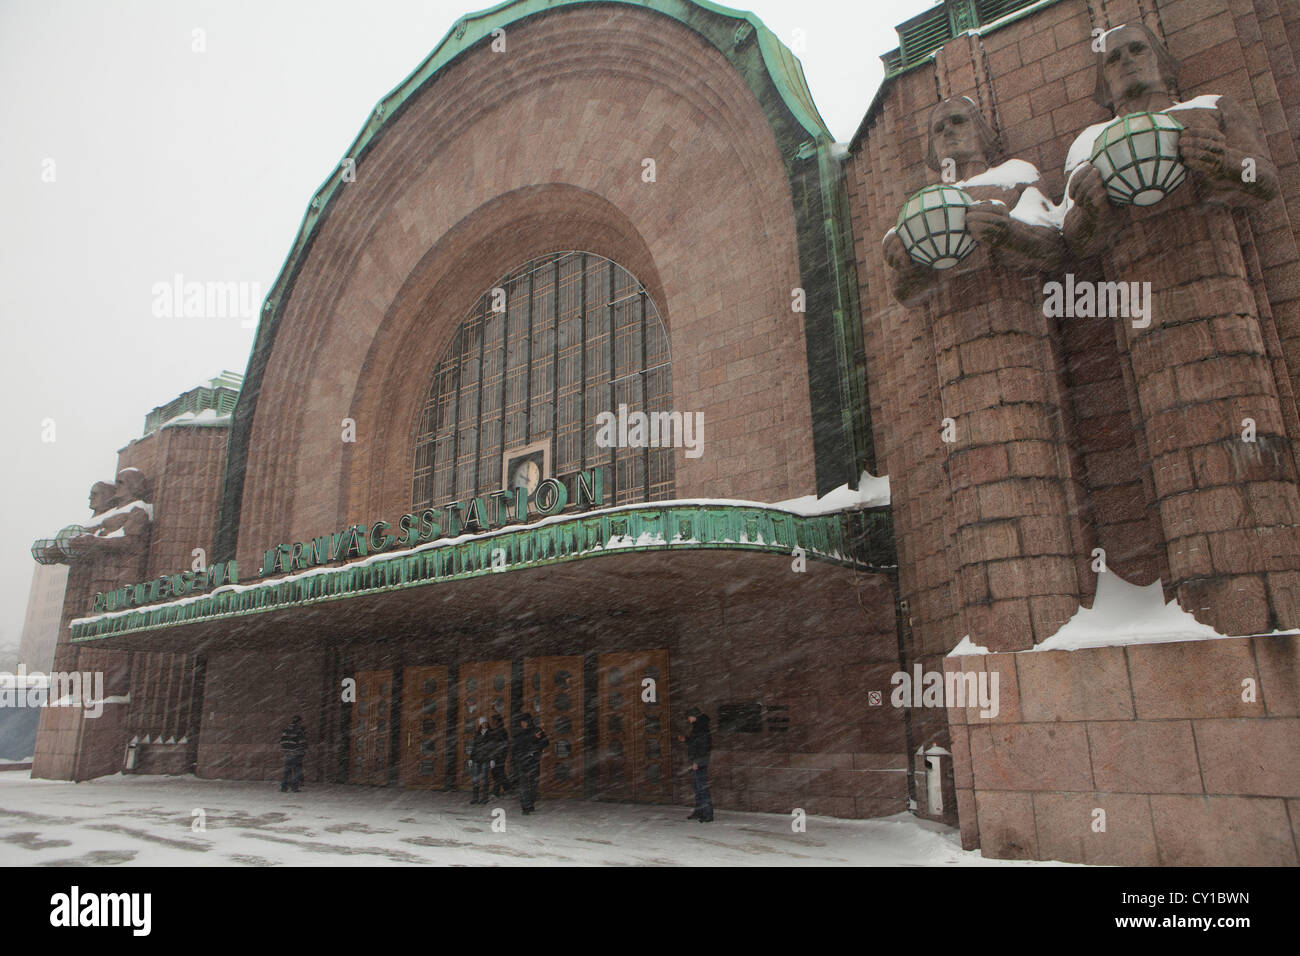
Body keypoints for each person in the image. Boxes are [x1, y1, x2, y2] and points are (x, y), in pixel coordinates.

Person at [678, 707, 713, 822]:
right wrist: (686, 740)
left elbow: (702, 746)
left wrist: (696, 762)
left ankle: (707, 813)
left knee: (701, 788)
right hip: (700, 760)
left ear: (694, 716)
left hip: (699, 761)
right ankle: (699, 811)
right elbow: (696, 743)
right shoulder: (699, 726)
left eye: (689, 716)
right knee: (698, 788)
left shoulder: (700, 728)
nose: (688, 719)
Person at [510, 714, 549, 814]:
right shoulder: (519, 732)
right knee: (523, 785)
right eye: (521, 722)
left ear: (529, 722)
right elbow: (517, 744)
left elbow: (545, 742)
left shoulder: (537, 730)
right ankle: (525, 806)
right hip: (522, 761)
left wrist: (535, 749)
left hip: (533, 761)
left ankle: (530, 803)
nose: (523, 724)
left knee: (534, 784)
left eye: (524, 722)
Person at [279, 716, 307, 793]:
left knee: (287, 770)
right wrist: (302, 751)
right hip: (296, 753)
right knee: (296, 770)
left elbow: (281, 741)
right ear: (299, 722)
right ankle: (294, 787)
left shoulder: (286, 730)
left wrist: (286, 750)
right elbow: (302, 743)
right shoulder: (299, 731)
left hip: (287, 753)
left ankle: (284, 787)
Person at [468, 717, 493, 804]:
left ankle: (485, 798)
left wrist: (492, 759)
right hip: (476, 758)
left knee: (485, 779)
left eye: (485, 723)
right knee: (475, 779)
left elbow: (492, 747)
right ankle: (475, 798)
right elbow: (474, 747)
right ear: (480, 724)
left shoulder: (491, 733)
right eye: (482, 723)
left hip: (485, 758)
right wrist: (471, 758)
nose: (484, 725)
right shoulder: (477, 734)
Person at [487, 714, 511, 797]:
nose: (492, 722)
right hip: (497, 754)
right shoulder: (496, 730)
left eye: (494, 721)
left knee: (498, 772)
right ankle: (508, 788)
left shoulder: (501, 731)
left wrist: (495, 756)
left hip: (499, 755)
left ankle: (496, 791)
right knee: (499, 772)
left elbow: (499, 744)